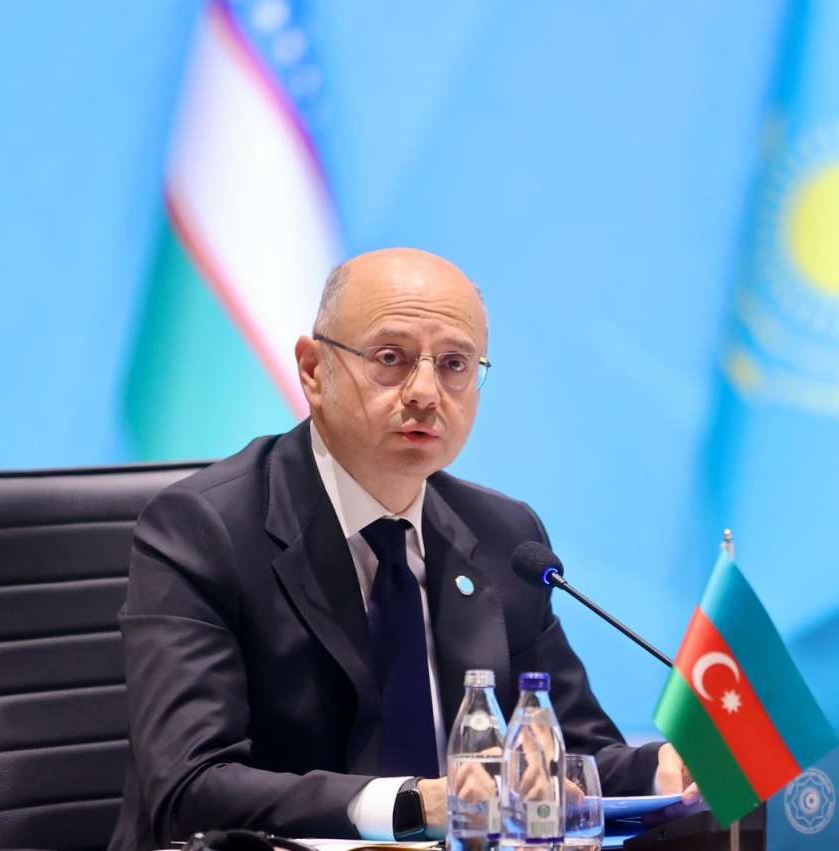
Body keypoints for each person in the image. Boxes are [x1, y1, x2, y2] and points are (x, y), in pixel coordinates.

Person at [109, 248, 695, 850]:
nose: (425, 393)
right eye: (391, 358)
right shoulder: (204, 528)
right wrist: (413, 804)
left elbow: (570, 753)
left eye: (454, 364)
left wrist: (664, 769)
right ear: (313, 370)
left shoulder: (503, 536)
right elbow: (190, 786)